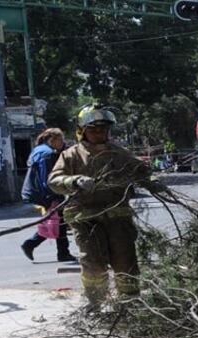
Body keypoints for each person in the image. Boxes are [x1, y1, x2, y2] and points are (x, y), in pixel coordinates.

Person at [49, 104, 166, 304]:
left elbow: (141, 171)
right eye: (93, 129)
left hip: (118, 218)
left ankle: (130, 303)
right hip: (85, 218)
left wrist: (152, 182)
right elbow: (54, 180)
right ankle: (96, 302)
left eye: (102, 129)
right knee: (93, 263)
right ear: (82, 131)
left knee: (126, 262)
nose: (98, 133)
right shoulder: (71, 155)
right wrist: (74, 180)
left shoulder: (120, 153)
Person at [20, 128, 76, 263]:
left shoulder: (38, 150)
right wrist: (53, 197)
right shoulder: (47, 154)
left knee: (55, 221)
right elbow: (47, 179)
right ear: (53, 140)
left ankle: (35, 245)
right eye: (61, 140)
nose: (62, 142)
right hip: (46, 193)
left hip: (36, 192)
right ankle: (35, 245)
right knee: (59, 222)